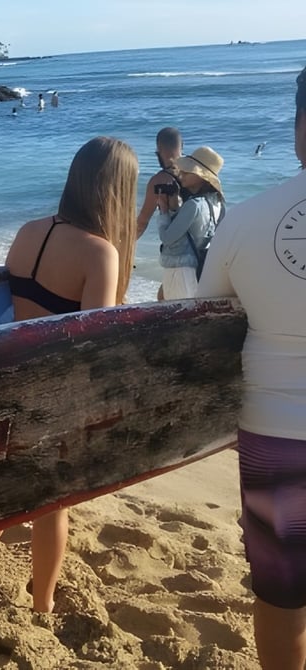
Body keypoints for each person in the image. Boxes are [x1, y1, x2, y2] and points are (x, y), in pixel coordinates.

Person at [0, 137, 139, 613]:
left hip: (8, 374)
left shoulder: (30, 231)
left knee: (2, 485)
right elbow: (94, 342)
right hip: (54, 388)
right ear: (119, 191)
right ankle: (43, 607)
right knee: (53, 503)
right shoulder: (100, 253)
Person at [196, 64, 306, 670]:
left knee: (280, 589)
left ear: (298, 128)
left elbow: (209, 323)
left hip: (273, 436)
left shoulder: (242, 219)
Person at [157, 146, 225, 300]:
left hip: (179, 271)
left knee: (173, 315)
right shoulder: (216, 203)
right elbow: (193, 233)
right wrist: (174, 209)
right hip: (197, 270)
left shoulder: (193, 205)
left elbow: (167, 237)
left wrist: (163, 211)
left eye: (188, 171)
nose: (182, 174)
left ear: (202, 177)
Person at [137, 127, 184, 237]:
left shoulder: (158, 181)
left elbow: (142, 222)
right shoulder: (196, 174)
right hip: (203, 248)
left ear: (158, 148)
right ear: (182, 146)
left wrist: (122, 246)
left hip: (176, 249)